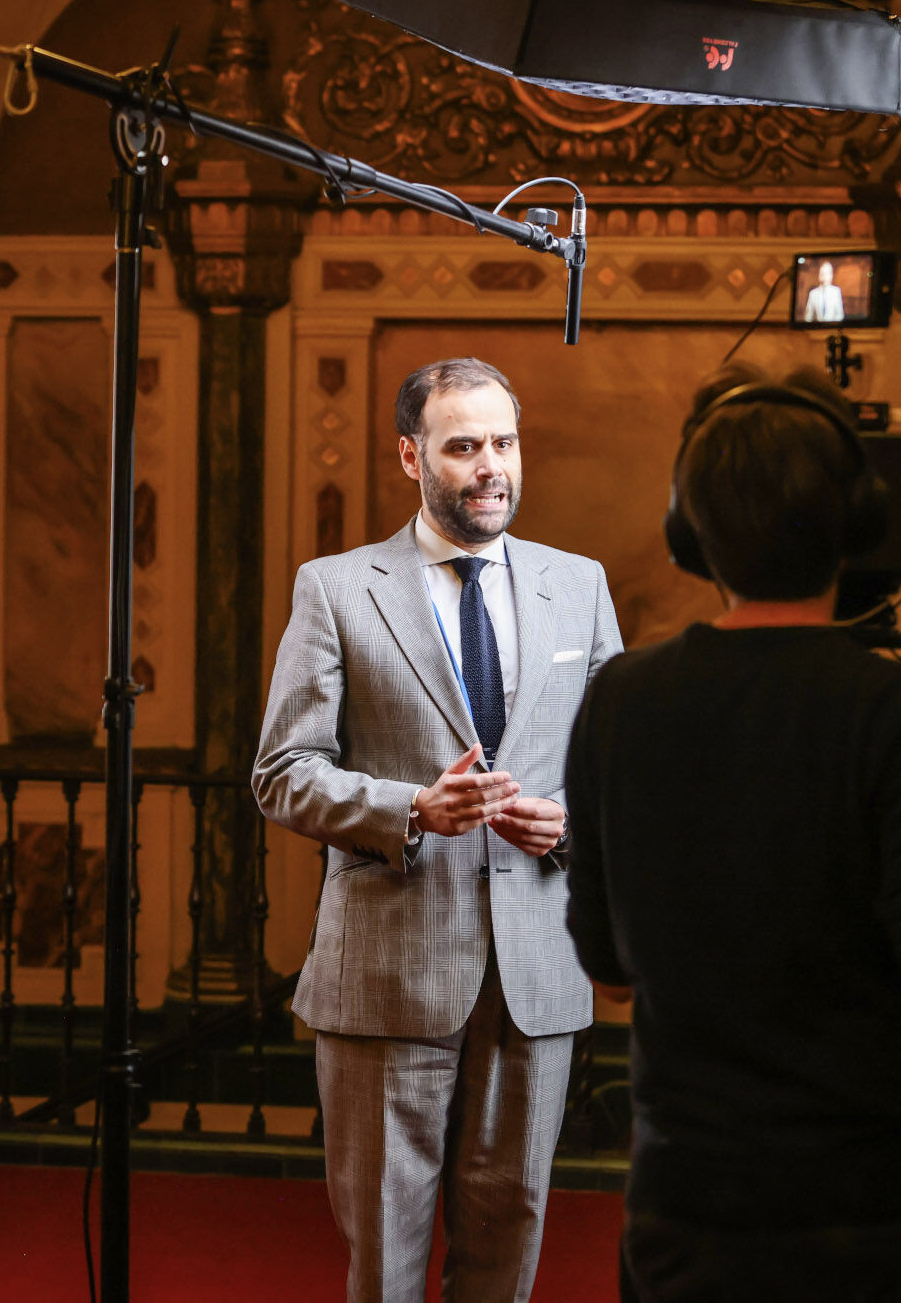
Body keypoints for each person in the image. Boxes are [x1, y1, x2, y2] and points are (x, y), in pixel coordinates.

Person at [564, 366, 901, 1303]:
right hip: (873, 1219)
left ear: (690, 530)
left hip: (688, 1212)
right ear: (853, 528)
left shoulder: (618, 703)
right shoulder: (900, 712)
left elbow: (609, 973)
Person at [254, 356, 623, 1303]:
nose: (491, 465)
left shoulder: (578, 586)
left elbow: (623, 773)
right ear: (411, 458)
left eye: (504, 442)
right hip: (389, 975)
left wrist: (575, 822)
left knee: (508, 1250)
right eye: (464, 447)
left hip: (535, 975)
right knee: (385, 1259)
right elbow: (282, 774)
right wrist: (407, 810)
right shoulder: (337, 589)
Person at [803, 259, 847, 323]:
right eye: (823, 274)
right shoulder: (813, 294)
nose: (825, 277)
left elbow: (840, 315)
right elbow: (808, 316)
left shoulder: (836, 292)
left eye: (828, 274)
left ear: (831, 276)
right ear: (819, 276)